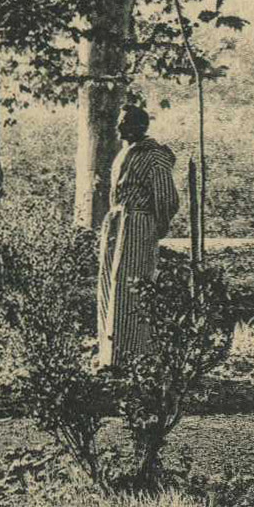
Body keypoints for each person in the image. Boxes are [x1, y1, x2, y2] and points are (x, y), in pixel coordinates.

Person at [95, 103, 180, 371]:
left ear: (139, 126)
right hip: (118, 225)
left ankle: (134, 357)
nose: (119, 127)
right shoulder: (125, 154)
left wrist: (157, 226)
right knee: (112, 286)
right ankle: (111, 355)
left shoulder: (154, 156)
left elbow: (166, 198)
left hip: (138, 225)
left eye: (125, 122)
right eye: (120, 122)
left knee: (133, 287)